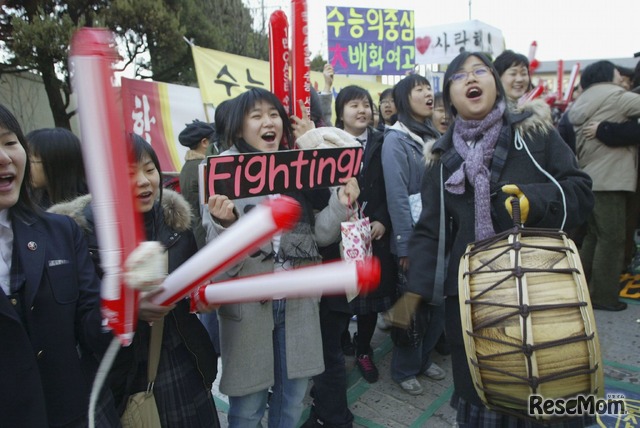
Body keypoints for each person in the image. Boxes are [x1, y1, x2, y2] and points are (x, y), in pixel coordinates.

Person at [407, 51, 594, 427]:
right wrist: (414, 294)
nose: (470, 79)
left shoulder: (534, 133)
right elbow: (430, 232)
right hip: (473, 302)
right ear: (451, 96)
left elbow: (582, 193)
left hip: (544, 296)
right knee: (484, 401)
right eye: (459, 76)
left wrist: (534, 202)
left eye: (480, 70)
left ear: (494, 82)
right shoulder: (440, 158)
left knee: (549, 397)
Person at [203, 87, 359, 428]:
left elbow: (320, 236)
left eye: (273, 114)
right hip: (247, 309)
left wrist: (341, 202)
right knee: (248, 407)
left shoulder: (295, 167)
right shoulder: (222, 172)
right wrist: (226, 224)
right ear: (238, 126)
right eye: (256, 116)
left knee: (290, 402)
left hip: (298, 305)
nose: (267, 122)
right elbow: (215, 262)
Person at [51, 134, 221, 427]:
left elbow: (193, 287)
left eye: (149, 169)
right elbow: (82, 323)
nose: (144, 181)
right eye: (128, 174)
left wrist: (200, 297)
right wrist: (130, 310)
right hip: (120, 372)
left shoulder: (175, 224)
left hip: (179, 359)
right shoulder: (79, 235)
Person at [0, 104, 120, 426]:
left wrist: (122, 296)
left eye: (10, 142)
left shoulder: (61, 230)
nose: (4, 157)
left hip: (72, 413)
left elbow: (92, 328)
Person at [381, 73, 445, 396]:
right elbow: (397, 196)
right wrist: (405, 245)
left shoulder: (433, 132)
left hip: (440, 234)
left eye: (428, 88)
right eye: (419, 89)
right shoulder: (395, 140)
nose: (427, 94)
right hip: (415, 238)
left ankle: (422, 360)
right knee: (412, 305)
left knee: (437, 303)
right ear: (405, 99)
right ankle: (404, 368)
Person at [333, 85, 396, 385]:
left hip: (373, 231)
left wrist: (383, 219)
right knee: (341, 298)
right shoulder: (327, 143)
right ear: (340, 113)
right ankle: (343, 339)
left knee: (369, 298)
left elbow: (390, 186)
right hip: (338, 233)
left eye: (365, 104)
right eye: (353, 105)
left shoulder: (385, 142)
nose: (362, 110)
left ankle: (363, 349)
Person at [569, 60, 640, 311]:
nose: (621, 76)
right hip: (611, 179)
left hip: (590, 177)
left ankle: (579, 288)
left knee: (593, 237)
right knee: (612, 238)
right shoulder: (616, 96)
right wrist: (616, 129)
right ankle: (603, 297)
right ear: (607, 75)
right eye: (617, 72)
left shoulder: (582, 101)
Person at [26, 127, 88, 209]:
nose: (25, 167)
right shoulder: (34, 203)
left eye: (30, 160)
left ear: (56, 164)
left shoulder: (90, 212)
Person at [178, 119, 216, 249]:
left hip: (198, 233)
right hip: (206, 235)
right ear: (205, 142)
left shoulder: (188, 166)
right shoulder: (202, 168)